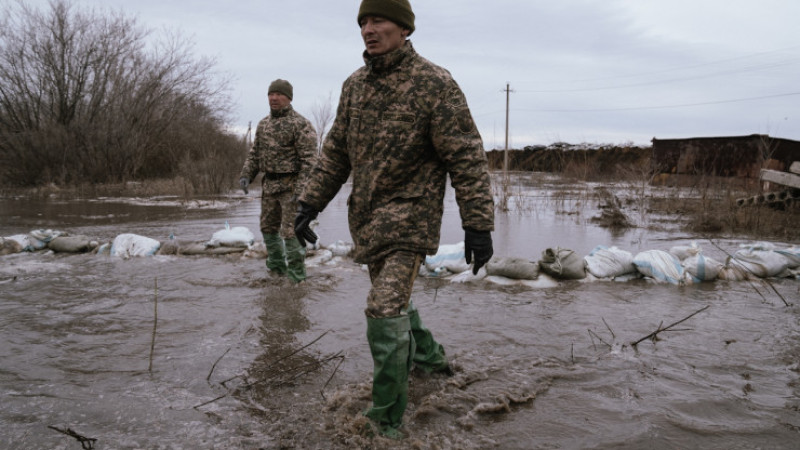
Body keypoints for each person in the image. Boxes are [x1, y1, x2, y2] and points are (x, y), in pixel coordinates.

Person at [294, 0, 494, 439]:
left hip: (411, 220)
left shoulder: (435, 83)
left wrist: (477, 223)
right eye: (363, 22)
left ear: (404, 28)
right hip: (368, 220)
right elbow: (336, 153)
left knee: (383, 308)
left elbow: (466, 157)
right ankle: (432, 360)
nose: (369, 29)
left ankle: (385, 424)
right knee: (396, 302)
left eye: (378, 20)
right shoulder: (354, 86)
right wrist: (309, 203)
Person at [240, 79, 317, 283]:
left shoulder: (300, 124)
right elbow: (255, 154)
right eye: (271, 94)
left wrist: (301, 190)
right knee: (268, 228)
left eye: (279, 94)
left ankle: (297, 279)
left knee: (291, 232)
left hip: (291, 186)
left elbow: (310, 161)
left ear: (289, 98)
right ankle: (276, 271)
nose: (274, 98)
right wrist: (246, 174)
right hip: (269, 185)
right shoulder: (263, 124)